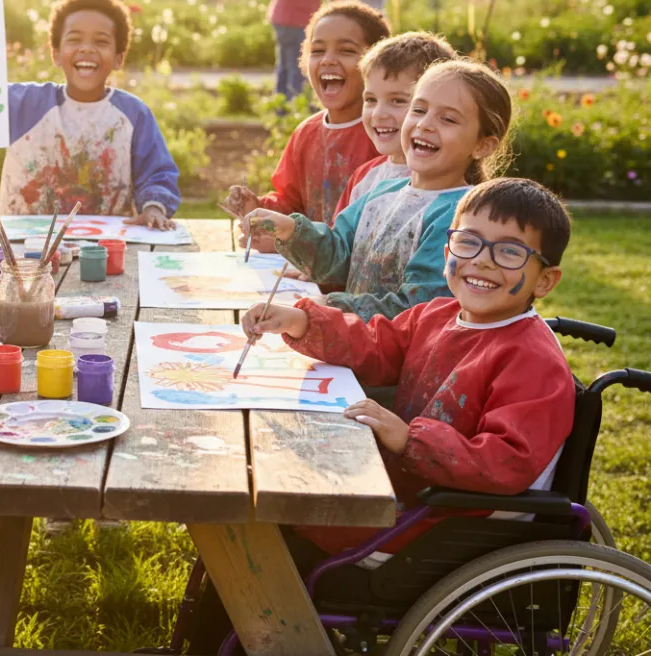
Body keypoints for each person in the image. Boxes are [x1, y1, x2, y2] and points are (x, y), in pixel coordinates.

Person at [243, 177, 575, 564]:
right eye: (468, 242)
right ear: (447, 251)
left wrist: (409, 439)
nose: (482, 260)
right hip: (399, 486)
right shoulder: (436, 314)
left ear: (545, 280)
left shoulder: (533, 361)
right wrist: (301, 321)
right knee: (273, 477)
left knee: (281, 508)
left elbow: (506, 462)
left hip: (441, 524)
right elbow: (374, 345)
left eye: (509, 252)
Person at [240, 59, 513, 321]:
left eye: (448, 119)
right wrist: (289, 229)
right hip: (356, 344)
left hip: (404, 353)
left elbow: (417, 307)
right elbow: (338, 256)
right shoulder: (381, 192)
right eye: (418, 110)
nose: (424, 124)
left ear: (483, 145)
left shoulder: (460, 217)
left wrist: (330, 308)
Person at [0, 0, 181, 229]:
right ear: (56, 54)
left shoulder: (133, 115)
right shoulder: (22, 104)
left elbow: (157, 174)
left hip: (104, 245)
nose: (86, 48)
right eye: (74, 39)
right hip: (23, 243)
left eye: (101, 41)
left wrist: (153, 208)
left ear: (118, 58)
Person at [224, 0, 389, 244]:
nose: (328, 60)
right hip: (306, 267)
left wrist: (288, 244)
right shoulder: (306, 133)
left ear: (377, 63)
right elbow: (291, 203)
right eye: (318, 51)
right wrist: (258, 207)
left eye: (346, 50)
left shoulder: (384, 135)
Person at [333, 31, 457, 216]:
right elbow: (338, 234)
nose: (378, 114)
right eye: (370, 100)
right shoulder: (364, 177)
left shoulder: (447, 183)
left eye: (398, 101)